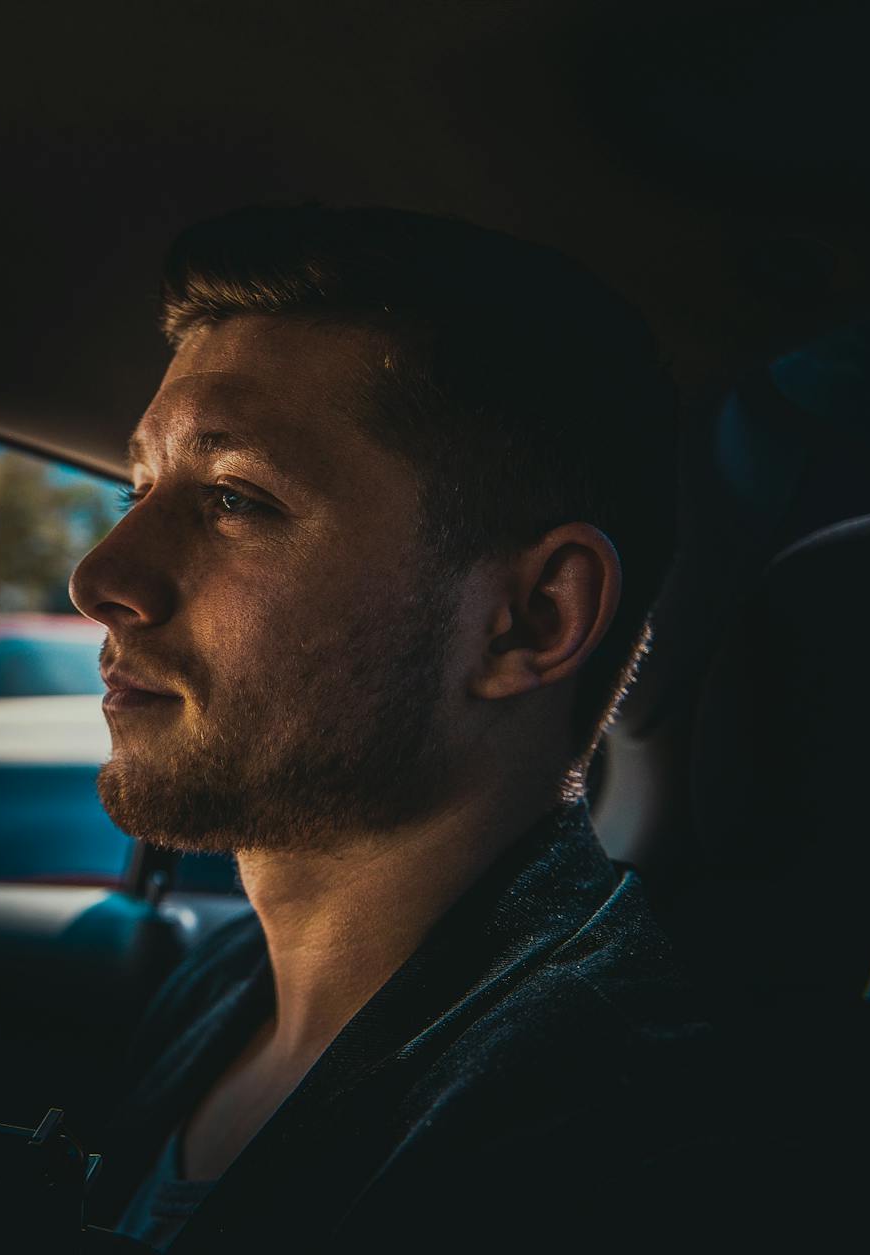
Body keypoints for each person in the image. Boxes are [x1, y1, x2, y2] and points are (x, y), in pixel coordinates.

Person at [69, 207, 715, 1250]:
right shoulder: (229, 988)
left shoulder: (590, 1140)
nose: (100, 576)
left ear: (531, 619)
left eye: (234, 498)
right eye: (136, 489)